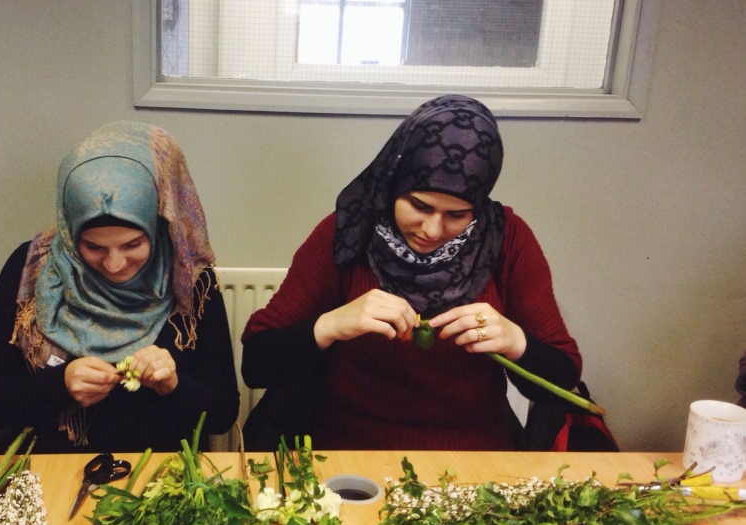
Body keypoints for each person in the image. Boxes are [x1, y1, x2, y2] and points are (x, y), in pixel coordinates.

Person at [241, 95, 582, 451]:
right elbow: (256, 363)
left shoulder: (507, 239)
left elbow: (563, 373)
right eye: (419, 206)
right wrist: (330, 325)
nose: (432, 231)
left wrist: (517, 342)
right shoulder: (347, 232)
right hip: (349, 451)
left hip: (475, 455)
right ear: (394, 183)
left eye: (457, 214)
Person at [0, 122, 240, 453]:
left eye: (133, 244)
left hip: (157, 471)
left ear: (157, 227)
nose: (114, 264)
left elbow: (223, 413)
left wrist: (174, 384)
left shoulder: (191, 280)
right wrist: (59, 385)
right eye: (93, 247)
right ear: (70, 232)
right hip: (51, 466)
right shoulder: (31, 268)